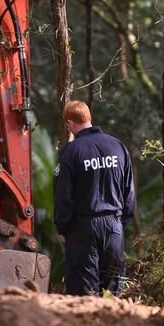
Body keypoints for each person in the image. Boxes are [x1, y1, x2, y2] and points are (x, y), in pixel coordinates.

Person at [53, 100, 135, 296]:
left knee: (84, 291)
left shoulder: (70, 152)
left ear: (70, 124)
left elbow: (63, 195)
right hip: (114, 225)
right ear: (89, 118)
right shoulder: (118, 146)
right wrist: (121, 223)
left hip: (82, 229)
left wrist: (62, 227)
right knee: (113, 289)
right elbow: (129, 191)